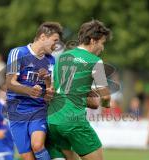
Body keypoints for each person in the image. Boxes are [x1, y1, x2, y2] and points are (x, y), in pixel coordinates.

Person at [47, 20, 112, 160]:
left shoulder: (62, 57)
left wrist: (86, 99)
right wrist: (105, 105)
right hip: (74, 122)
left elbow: (59, 89)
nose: (102, 48)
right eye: (102, 43)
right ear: (93, 41)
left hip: (53, 120)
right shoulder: (95, 61)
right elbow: (105, 97)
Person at [5, 21, 63, 160]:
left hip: (38, 109)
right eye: (54, 41)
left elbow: (49, 93)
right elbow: (9, 83)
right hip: (17, 111)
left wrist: (49, 85)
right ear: (43, 37)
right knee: (27, 157)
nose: (56, 46)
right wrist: (29, 90)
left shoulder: (51, 60)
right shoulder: (18, 53)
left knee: (37, 145)